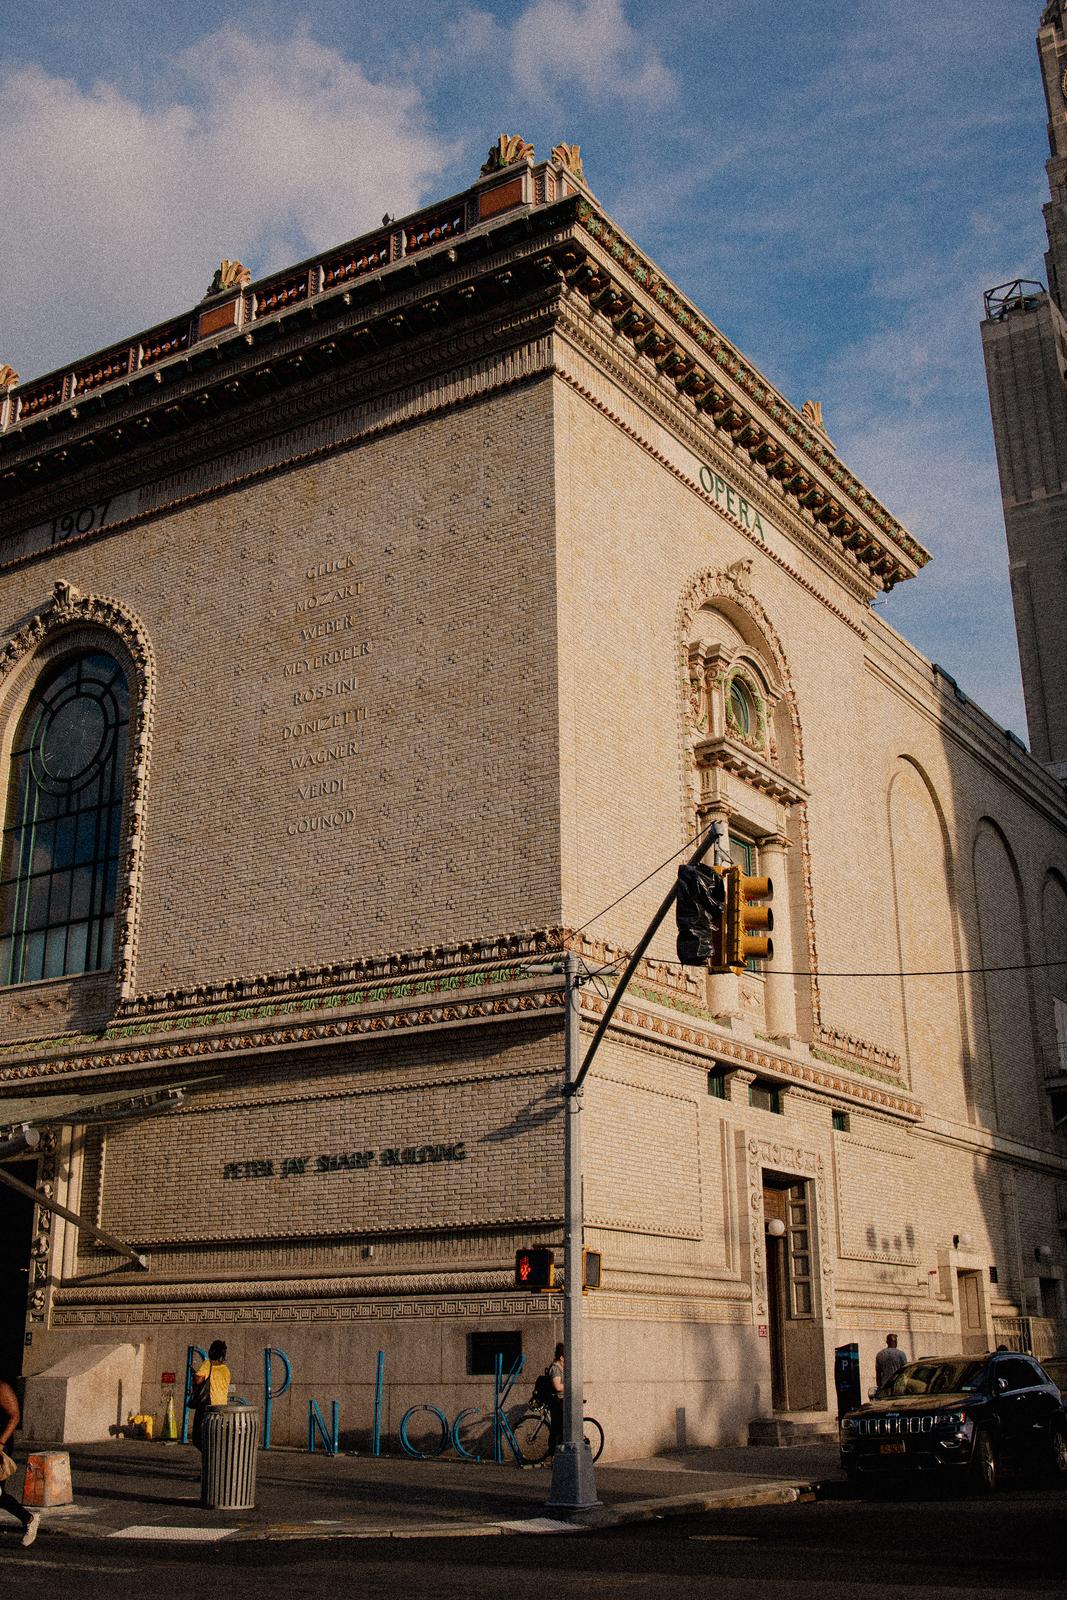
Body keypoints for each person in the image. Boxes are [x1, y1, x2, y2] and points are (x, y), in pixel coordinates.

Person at [0, 1379, 39, 1548]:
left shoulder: (2, 1388)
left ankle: (28, 1518)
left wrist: (1, 1443)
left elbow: (15, 1416)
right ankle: (28, 1518)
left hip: (2, 1444)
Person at [190, 1340, 231, 1447]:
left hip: (207, 1406)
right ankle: (214, 1456)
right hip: (221, 1407)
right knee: (214, 1435)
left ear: (211, 1351)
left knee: (197, 1438)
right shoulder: (226, 1369)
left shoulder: (208, 1364)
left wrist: (194, 1375)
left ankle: (208, 1455)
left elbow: (199, 1380)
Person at [546, 1342, 564, 1457]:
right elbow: (557, 1386)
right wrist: (570, 1384)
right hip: (557, 1402)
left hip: (563, 1401)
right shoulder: (555, 1369)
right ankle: (554, 1454)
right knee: (557, 1428)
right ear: (561, 1357)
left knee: (561, 1428)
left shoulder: (562, 1368)